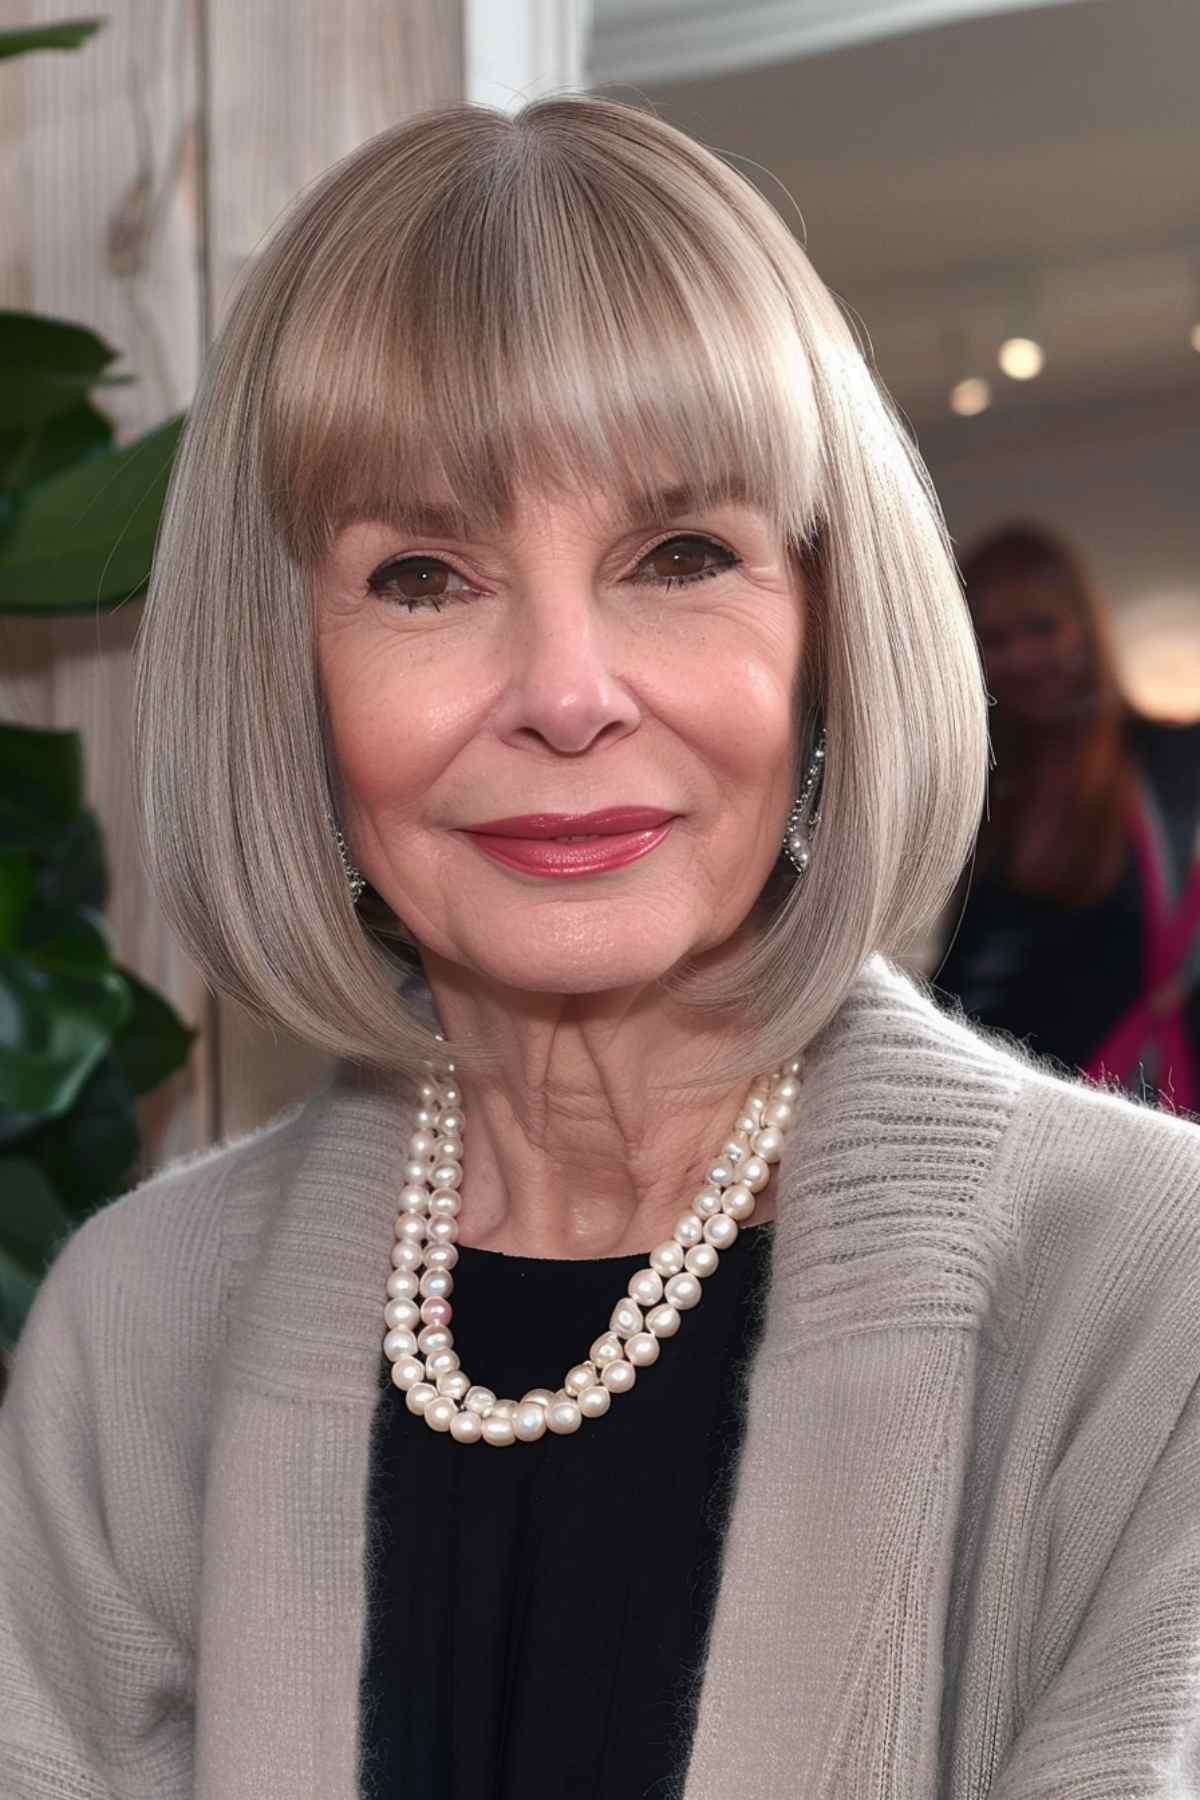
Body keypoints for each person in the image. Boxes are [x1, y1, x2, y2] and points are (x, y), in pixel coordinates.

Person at [2, 94, 1200, 1800]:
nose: (566, 693)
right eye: (422, 575)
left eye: (681, 555)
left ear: (827, 639)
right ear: (292, 683)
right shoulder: (138, 1335)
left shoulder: (1152, 1301)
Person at [934, 523, 1200, 1109]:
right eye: (996, 640)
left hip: (1145, 1112)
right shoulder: (980, 791)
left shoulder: (1174, 768)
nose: (1023, 658)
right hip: (1007, 1112)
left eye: (1042, 628)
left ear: (1083, 630)